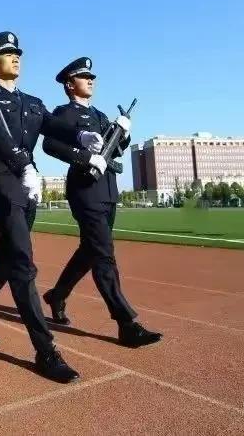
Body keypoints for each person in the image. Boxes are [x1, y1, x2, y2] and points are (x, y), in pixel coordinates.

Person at [0, 31, 103, 384]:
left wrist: (81, 137)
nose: (16, 58)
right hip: (2, 180)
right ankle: (46, 351)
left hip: (28, 187)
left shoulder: (33, 102)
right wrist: (23, 165)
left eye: (18, 54)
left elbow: (55, 126)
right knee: (23, 263)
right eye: (8, 54)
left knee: (5, 256)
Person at [41, 57, 162, 348]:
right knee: (104, 254)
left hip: (107, 190)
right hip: (85, 189)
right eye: (84, 76)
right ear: (70, 84)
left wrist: (124, 131)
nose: (90, 79)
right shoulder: (64, 114)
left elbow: (116, 151)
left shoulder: (100, 114)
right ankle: (126, 324)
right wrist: (82, 156)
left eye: (91, 76)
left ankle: (58, 294)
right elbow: (50, 144)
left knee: (90, 250)